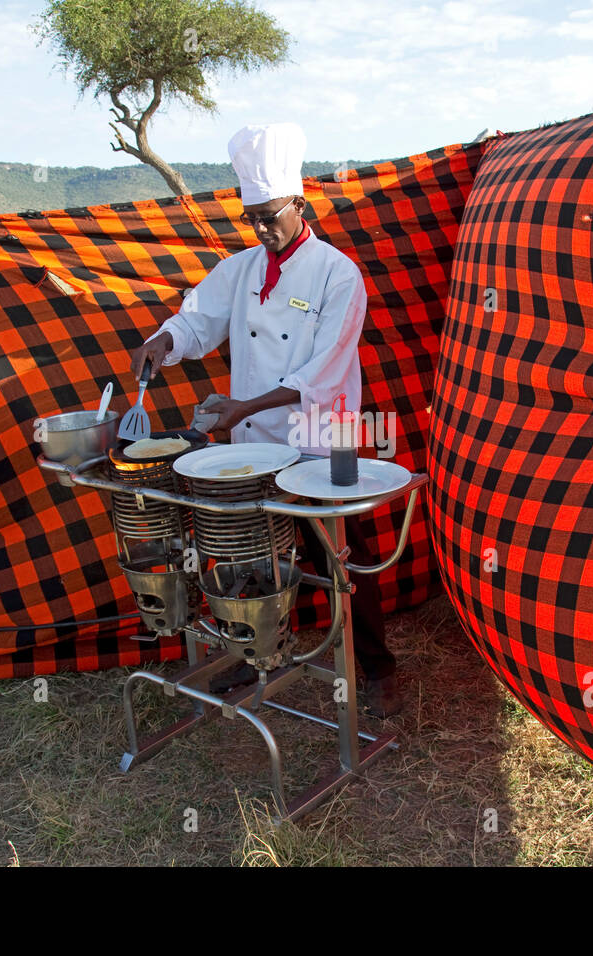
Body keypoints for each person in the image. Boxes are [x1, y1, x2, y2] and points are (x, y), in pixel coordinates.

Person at [128, 122, 402, 717]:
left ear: (299, 204)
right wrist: (164, 339)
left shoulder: (337, 273)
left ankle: (375, 668)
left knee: (339, 558)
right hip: (254, 443)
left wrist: (243, 407)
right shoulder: (243, 268)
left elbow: (324, 374)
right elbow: (198, 318)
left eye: (270, 216)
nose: (261, 230)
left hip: (319, 439)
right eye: (251, 218)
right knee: (258, 558)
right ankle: (262, 662)